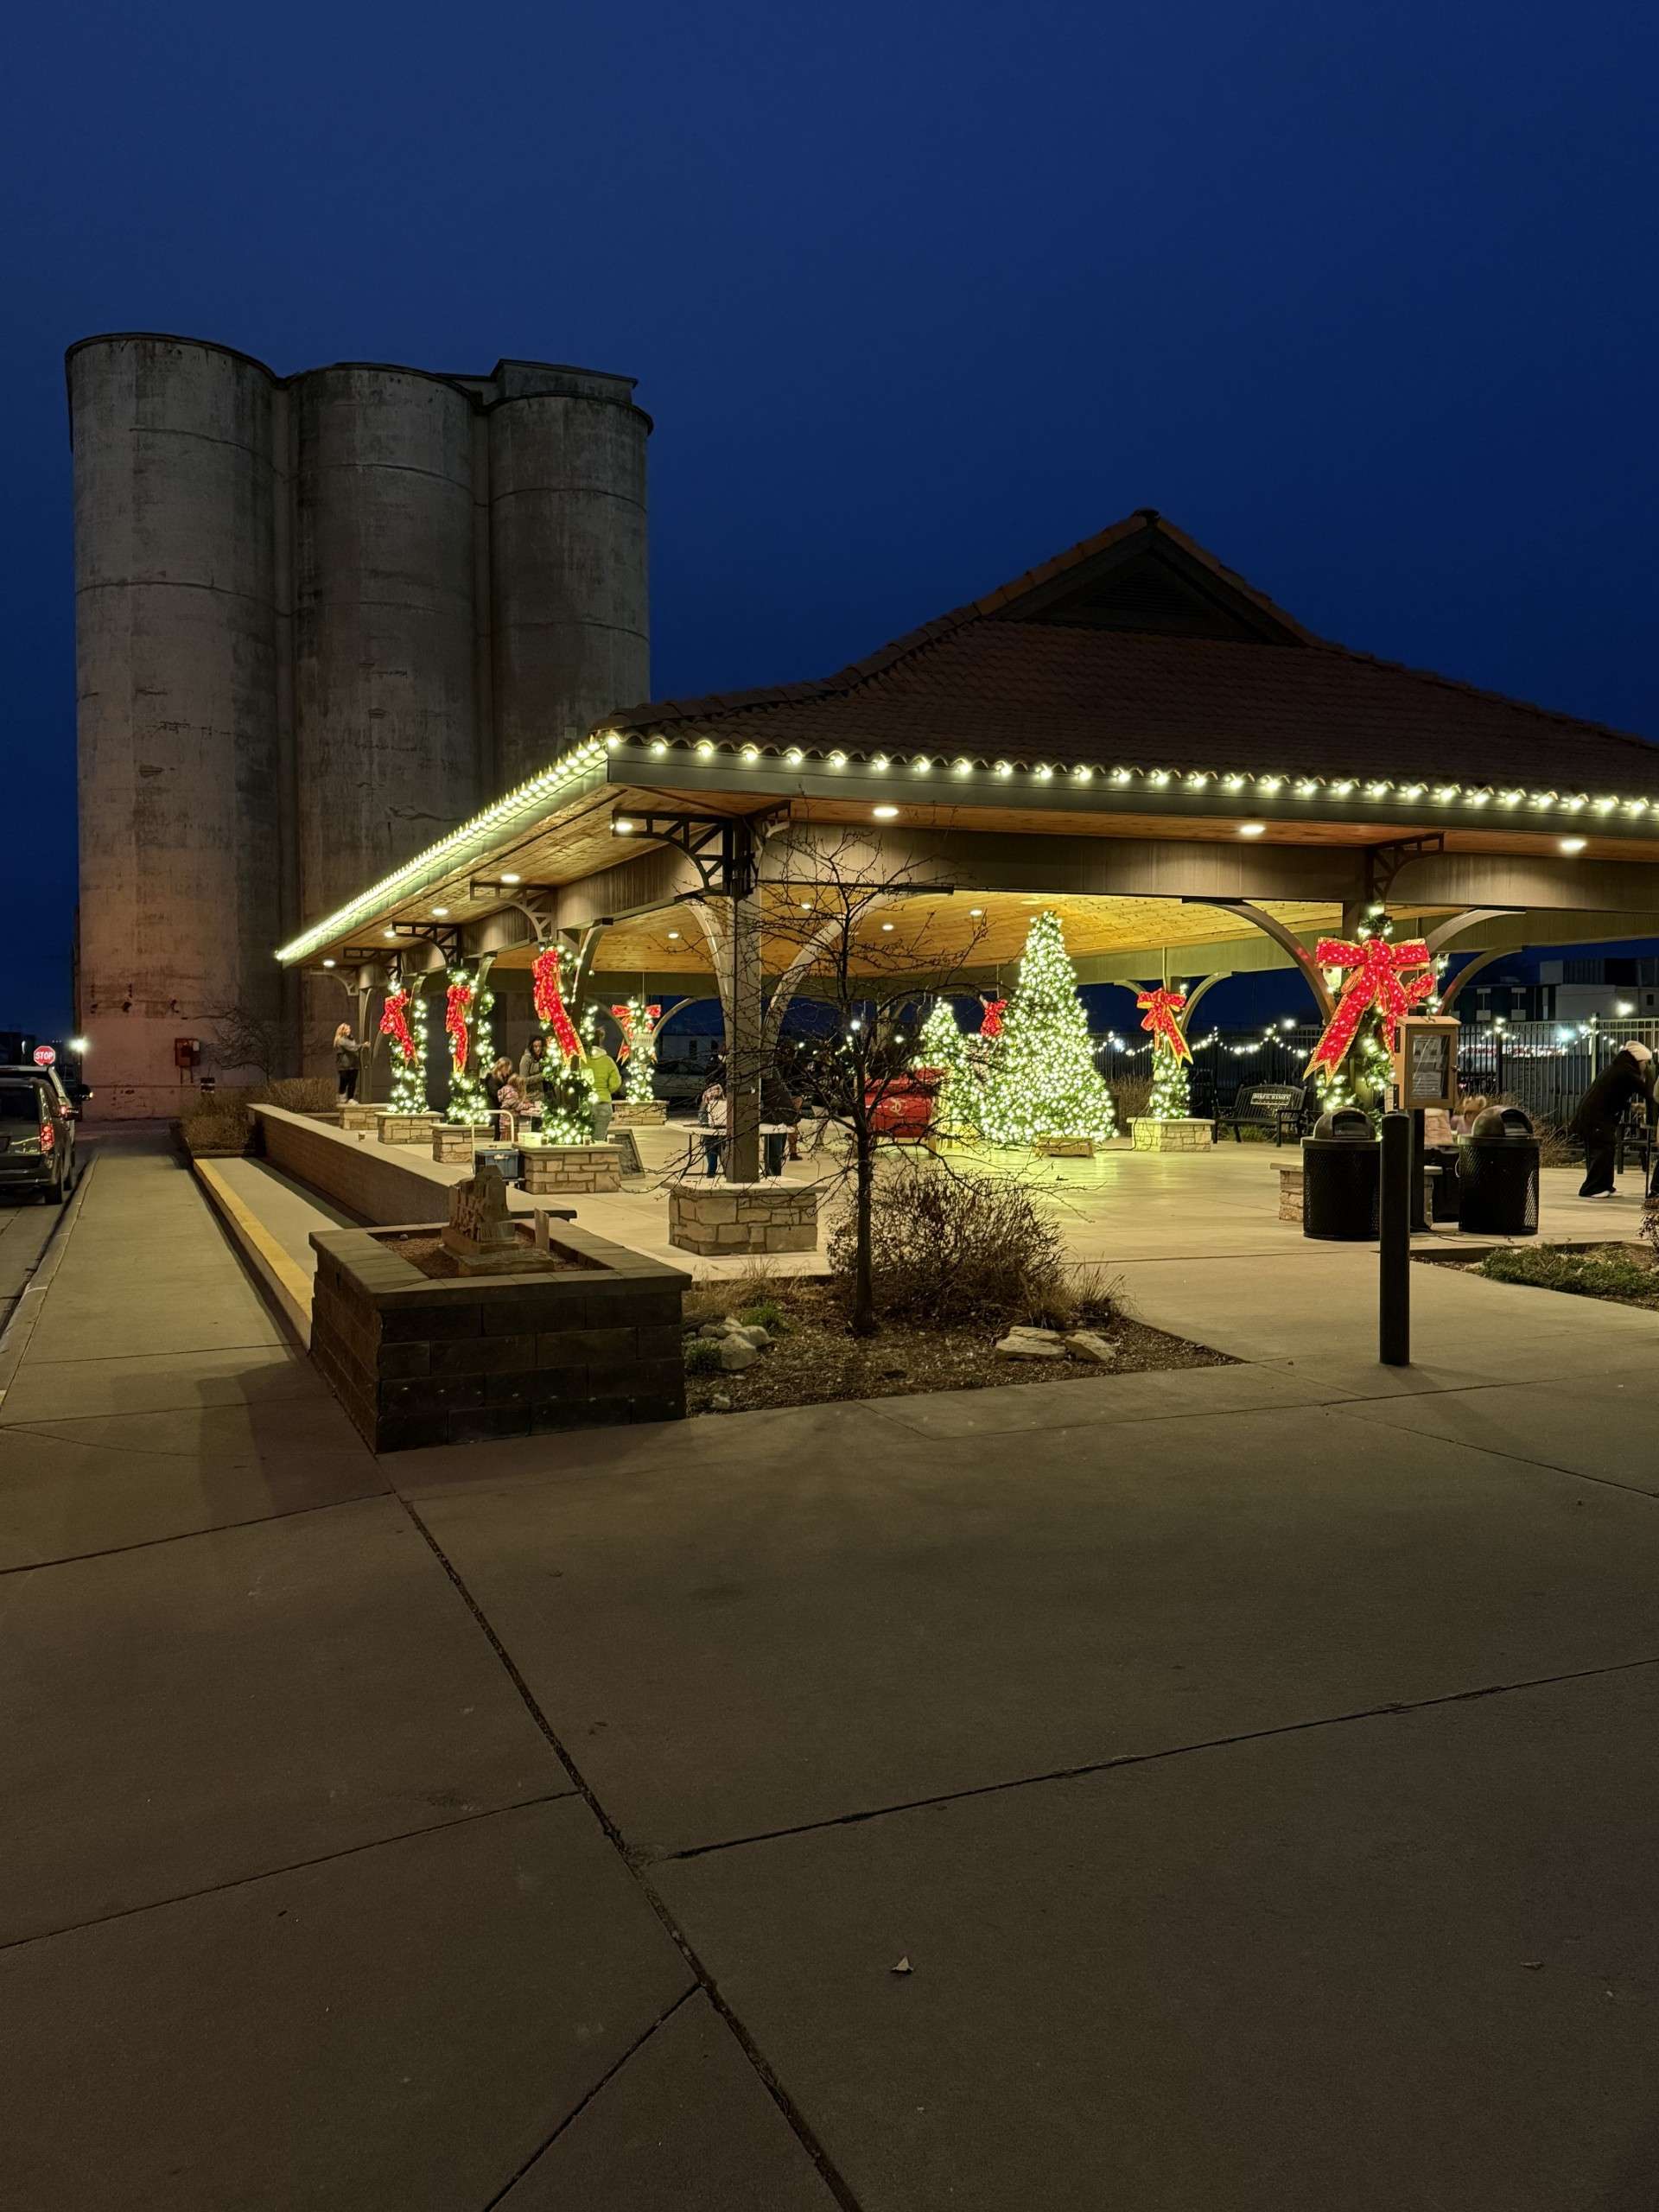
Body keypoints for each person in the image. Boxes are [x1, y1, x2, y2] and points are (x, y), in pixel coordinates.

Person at [1570, 1040, 1656, 1198]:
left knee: (1606, 1149)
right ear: (1639, 1060)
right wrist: (1651, 1085)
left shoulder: (1620, 1068)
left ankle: (1605, 1186)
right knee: (1601, 1150)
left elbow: (1612, 1096)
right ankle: (1592, 1188)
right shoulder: (1626, 1072)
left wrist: (1631, 1106)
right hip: (1595, 1117)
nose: (1646, 1067)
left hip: (1595, 1116)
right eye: (1646, 1063)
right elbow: (1649, 1093)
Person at [760, 1059, 800, 1178]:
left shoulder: (765, 1072)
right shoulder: (773, 1071)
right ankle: (774, 1174)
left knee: (774, 1151)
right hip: (783, 1113)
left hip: (776, 1115)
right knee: (776, 1151)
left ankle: (773, 1175)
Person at [584, 1038, 623, 1142]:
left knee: (584, 1140)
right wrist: (607, 1091)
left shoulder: (582, 1060)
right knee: (599, 1140)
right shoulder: (608, 1061)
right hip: (603, 1103)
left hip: (585, 1104)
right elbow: (616, 1083)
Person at [696, 1064, 727, 1177]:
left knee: (712, 1153)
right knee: (723, 1154)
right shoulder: (720, 1087)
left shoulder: (712, 1089)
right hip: (721, 1126)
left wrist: (704, 1124)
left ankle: (711, 1174)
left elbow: (704, 1111)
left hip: (713, 1127)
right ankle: (726, 1173)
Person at [333, 1023, 360, 1101]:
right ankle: (342, 1096)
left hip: (353, 1064)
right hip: (344, 1066)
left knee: (352, 1082)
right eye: (347, 1029)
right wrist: (362, 1046)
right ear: (343, 1030)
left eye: (349, 1028)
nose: (349, 1030)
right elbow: (352, 1048)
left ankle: (350, 1098)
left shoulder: (351, 1039)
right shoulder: (340, 1040)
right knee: (344, 1081)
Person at [518, 1033, 549, 1099]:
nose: (538, 1049)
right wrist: (541, 1076)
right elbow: (523, 1081)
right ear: (531, 1047)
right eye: (535, 1046)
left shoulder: (542, 1058)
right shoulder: (526, 1059)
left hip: (542, 1094)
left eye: (540, 1046)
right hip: (531, 1097)